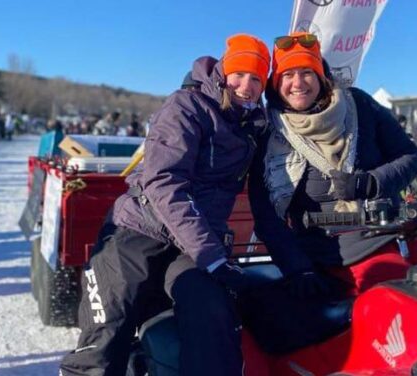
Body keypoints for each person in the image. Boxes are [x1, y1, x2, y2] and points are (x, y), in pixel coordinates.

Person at [59, 33, 270, 376]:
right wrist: (212, 256)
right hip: (139, 231)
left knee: (213, 320)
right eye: (239, 74)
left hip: (193, 247)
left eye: (257, 78)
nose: (246, 85)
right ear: (222, 72)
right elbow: (163, 181)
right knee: (107, 337)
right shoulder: (187, 106)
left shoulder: (252, 127)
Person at [244, 32, 417, 347]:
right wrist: (297, 269)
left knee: (399, 328)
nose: (298, 83)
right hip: (313, 262)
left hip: (374, 247)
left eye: (307, 72)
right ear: (275, 84)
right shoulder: (270, 134)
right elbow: (266, 213)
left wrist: (372, 182)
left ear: (322, 76)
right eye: (287, 75)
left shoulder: (359, 106)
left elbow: (409, 157)